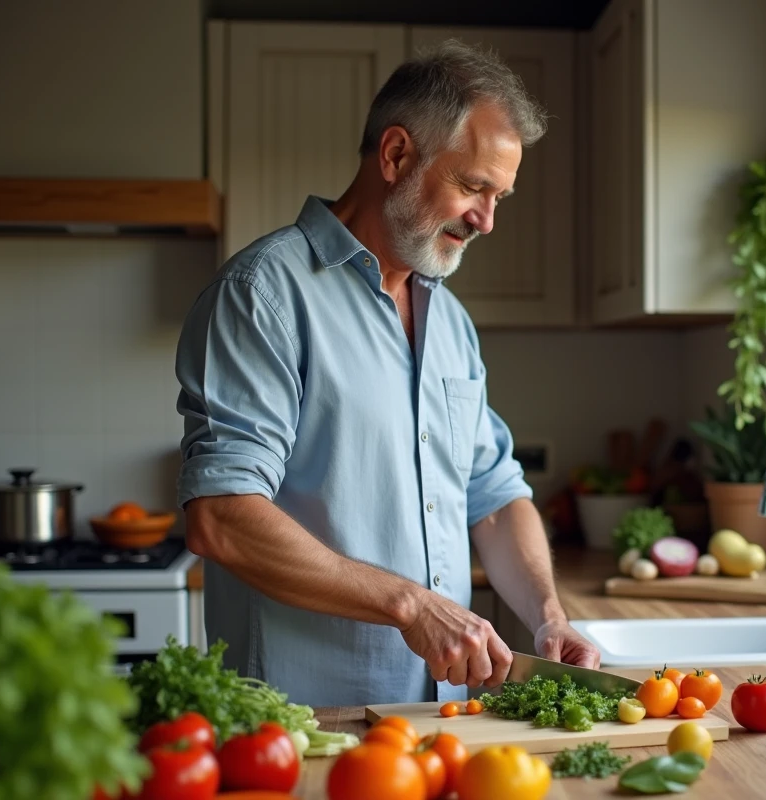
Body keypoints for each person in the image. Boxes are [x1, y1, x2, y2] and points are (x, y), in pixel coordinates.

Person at [173, 39, 600, 707]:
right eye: (473, 186)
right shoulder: (264, 295)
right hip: (302, 724)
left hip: (436, 717)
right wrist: (410, 605)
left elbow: (492, 494)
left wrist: (549, 617)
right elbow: (223, 517)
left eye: (500, 197)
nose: (487, 220)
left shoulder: (450, 320)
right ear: (397, 155)